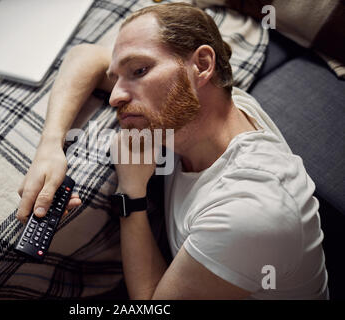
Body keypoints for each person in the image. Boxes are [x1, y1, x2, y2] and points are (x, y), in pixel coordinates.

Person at [16, 3, 328, 299]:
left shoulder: (250, 214)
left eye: (139, 70)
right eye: (117, 78)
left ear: (202, 66)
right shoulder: (220, 106)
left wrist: (132, 192)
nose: (115, 97)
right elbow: (84, 56)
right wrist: (50, 147)